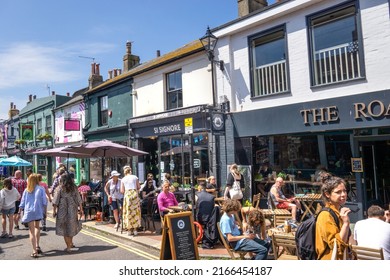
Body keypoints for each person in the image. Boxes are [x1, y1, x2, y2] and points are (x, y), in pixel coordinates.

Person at [315, 176, 351, 260]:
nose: (343, 195)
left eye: (344, 191)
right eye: (338, 192)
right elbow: (336, 246)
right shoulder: (325, 215)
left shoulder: (338, 212)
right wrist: (346, 224)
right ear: (327, 194)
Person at [52, 172, 84, 253]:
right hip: (72, 209)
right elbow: (79, 199)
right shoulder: (74, 187)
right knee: (71, 226)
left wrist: (54, 211)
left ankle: (68, 247)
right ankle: (70, 243)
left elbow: (55, 201)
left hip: (62, 210)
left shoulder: (60, 188)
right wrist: (81, 209)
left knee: (64, 228)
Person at [18, 173, 47, 258]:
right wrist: (44, 211)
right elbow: (44, 202)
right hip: (37, 211)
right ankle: (37, 245)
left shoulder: (26, 190)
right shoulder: (41, 189)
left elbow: (22, 203)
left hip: (28, 212)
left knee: (31, 231)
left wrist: (19, 212)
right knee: (37, 227)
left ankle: (34, 250)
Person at [196, 181, 220, 248]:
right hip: (209, 218)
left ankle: (196, 237)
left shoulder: (196, 195)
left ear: (199, 187)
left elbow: (195, 206)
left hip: (199, 218)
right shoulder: (212, 197)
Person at [120, 165, 141, 236]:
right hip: (134, 194)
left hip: (128, 195)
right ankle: (135, 230)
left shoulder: (123, 179)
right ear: (130, 171)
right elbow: (139, 187)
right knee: (135, 212)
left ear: (124, 172)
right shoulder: (135, 177)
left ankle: (129, 230)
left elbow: (122, 190)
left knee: (128, 212)